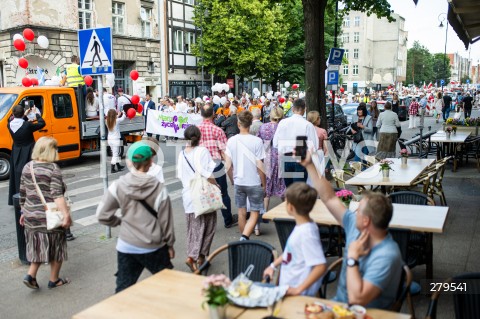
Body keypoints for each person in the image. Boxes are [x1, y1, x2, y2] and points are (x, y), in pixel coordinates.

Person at [301, 152, 402, 308]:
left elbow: (357, 299)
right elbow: (330, 198)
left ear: (366, 220)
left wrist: (352, 258)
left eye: (358, 210)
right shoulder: (355, 226)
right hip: (338, 307)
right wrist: (310, 165)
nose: (353, 212)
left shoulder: (387, 255)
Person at [97, 141, 175, 293]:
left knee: (123, 289)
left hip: (127, 245)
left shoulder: (118, 185)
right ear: (150, 163)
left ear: (131, 162)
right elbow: (166, 222)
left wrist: (119, 222)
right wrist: (170, 245)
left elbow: (102, 215)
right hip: (154, 246)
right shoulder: (159, 189)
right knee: (168, 285)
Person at [19, 136, 72, 289]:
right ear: (51, 151)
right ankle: (54, 280)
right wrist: (66, 215)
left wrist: (23, 212)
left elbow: (23, 192)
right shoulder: (53, 169)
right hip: (49, 216)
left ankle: (30, 276)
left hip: (30, 215)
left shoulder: (27, 167)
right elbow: (57, 195)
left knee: (38, 246)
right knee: (57, 246)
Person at [262, 182, 327, 296]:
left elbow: (320, 266)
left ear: (290, 207)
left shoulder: (307, 233)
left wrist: (299, 289)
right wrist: (273, 266)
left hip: (297, 293)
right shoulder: (302, 226)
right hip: (288, 287)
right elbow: (290, 252)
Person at [177, 126, 217, 271]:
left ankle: (197, 257)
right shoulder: (202, 151)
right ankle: (195, 257)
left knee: (194, 229)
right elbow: (207, 173)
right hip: (203, 195)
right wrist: (217, 186)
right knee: (209, 226)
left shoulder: (181, 154)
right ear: (199, 137)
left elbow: (181, 175)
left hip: (188, 195)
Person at [225, 111, 266, 241]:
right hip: (254, 181)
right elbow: (260, 165)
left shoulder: (231, 141)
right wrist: (264, 183)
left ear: (238, 124)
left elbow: (228, 166)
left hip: (239, 181)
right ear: (250, 124)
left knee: (241, 212)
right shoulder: (257, 141)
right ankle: (245, 237)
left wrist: (232, 179)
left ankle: (244, 239)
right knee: (255, 212)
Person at [198, 104, 238, 228]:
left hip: (201, 164)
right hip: (216, 164)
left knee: (202, 192)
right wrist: (230, 170)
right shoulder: (218, 130)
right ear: (213, 115)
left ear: (201, 115)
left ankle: (203, 222)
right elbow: (225, 152)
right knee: (223, 193)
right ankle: (227, 219)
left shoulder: (195, 129)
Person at [273, 98, 318, 187]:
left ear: (293, 109)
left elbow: (275, 143)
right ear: (305, 109)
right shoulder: (307, 125)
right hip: (300, 158)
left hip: (286, 158)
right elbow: (313, 146)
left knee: (290, 189)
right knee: (299, 189)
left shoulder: (283, 123)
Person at [8, 105, 46, 206]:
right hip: (28, 150)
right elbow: (42, 123)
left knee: (17, 174)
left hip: (16, 150)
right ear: (22, 114)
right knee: (31, 174)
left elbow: (18, 123)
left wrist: (24, 115)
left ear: (13, 114)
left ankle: (19, 195)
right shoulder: (27, 125)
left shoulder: (9, 124)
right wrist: (36, 113)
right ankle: (33, 196)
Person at [257, 107, 286, 213]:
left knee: (267, 186)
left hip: (267, 157)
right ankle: (286, 212)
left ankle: (264, 212)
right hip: (281, 157)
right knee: (283, 185)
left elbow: (259, 141)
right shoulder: (283, 128)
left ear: (270, 115)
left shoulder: (263, 127)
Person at [106, 109, 126, 173]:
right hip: (116, 140)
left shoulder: (107, 121)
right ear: (114, 115)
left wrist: (118, 115)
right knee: (115, 154)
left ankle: (118, 166)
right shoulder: (116, 121)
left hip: (110, 140)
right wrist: (123, 113)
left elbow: (114, 119)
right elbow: (123, 118)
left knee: (115, 153)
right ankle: (112, 168)